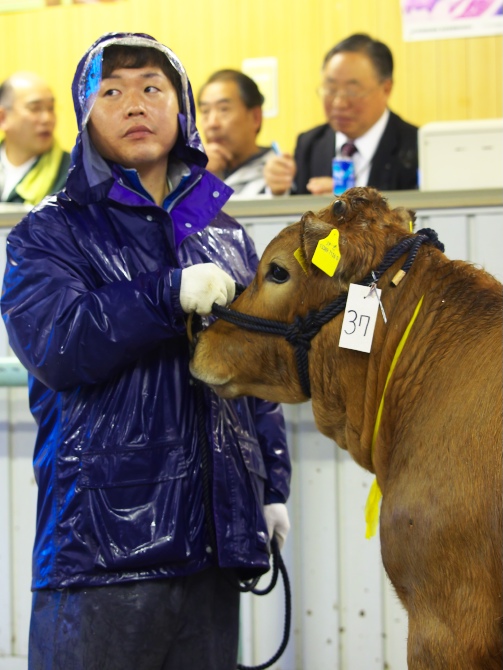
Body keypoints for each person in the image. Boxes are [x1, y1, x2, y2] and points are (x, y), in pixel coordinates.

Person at [1, 32, 291, 670]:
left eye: (152, 89)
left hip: (216, 542)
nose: (135, 104)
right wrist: (166, 295)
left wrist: (271, 485)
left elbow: (258, 376)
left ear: (181, 108)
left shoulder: (227, 235)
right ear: (85, 117)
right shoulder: (46, 233)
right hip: (98, 549)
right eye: (112, 92)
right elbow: (59, 345)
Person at [264, 33, 418, 195]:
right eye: (330, 90)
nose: (339, 103)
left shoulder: (416, 146)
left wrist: (351, 202)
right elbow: (297, 205)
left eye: (352, 91)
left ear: (386, 89)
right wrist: (278, 190)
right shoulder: (310, 144)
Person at [198, 69, 274, 197]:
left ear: (255, 118)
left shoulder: (277, 176)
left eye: (224, 109)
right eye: (205, 111)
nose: (212, 123)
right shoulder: (195, 171)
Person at [0, 71, 71, 204]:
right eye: (35, 109)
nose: (47, 119)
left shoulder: (73, 173)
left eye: (51, 108)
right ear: (3, 118)